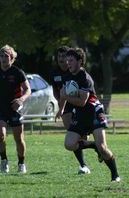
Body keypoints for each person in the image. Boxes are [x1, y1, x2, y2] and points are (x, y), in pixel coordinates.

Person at [57, 48, 120, 182]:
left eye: (71, 60)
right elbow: (63, 94)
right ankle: (92, 145)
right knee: (69, 144)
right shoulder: (67, 76)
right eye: (67, 60)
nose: (68, 63)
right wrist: (61, 109)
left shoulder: (85, 78)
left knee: (103, 148)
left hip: (94, 113)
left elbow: (81, 101)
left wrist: (65, 97)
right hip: (79, 115)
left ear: (80, 61)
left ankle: (115, 175)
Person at [0, 45, 31, 173]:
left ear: (12, 58)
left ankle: (21, 163)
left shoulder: (17, 72)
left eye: (6, 56)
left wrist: (21, 100)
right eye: (2, 56)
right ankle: (4, 160)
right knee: (0, 136)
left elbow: (28, 89)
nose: (4, 59)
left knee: (19, 139)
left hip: (14, 108)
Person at [51, 46, 91, 174]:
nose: (62, 59)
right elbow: (56, 90)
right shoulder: (55, 73)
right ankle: (83, 164)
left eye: (64, 56)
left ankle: (96, 146)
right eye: (59, 57)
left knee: (83, 137)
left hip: (80, 105)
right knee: (71, 133)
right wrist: (60, 106)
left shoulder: (79, 73)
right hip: (66, 106)